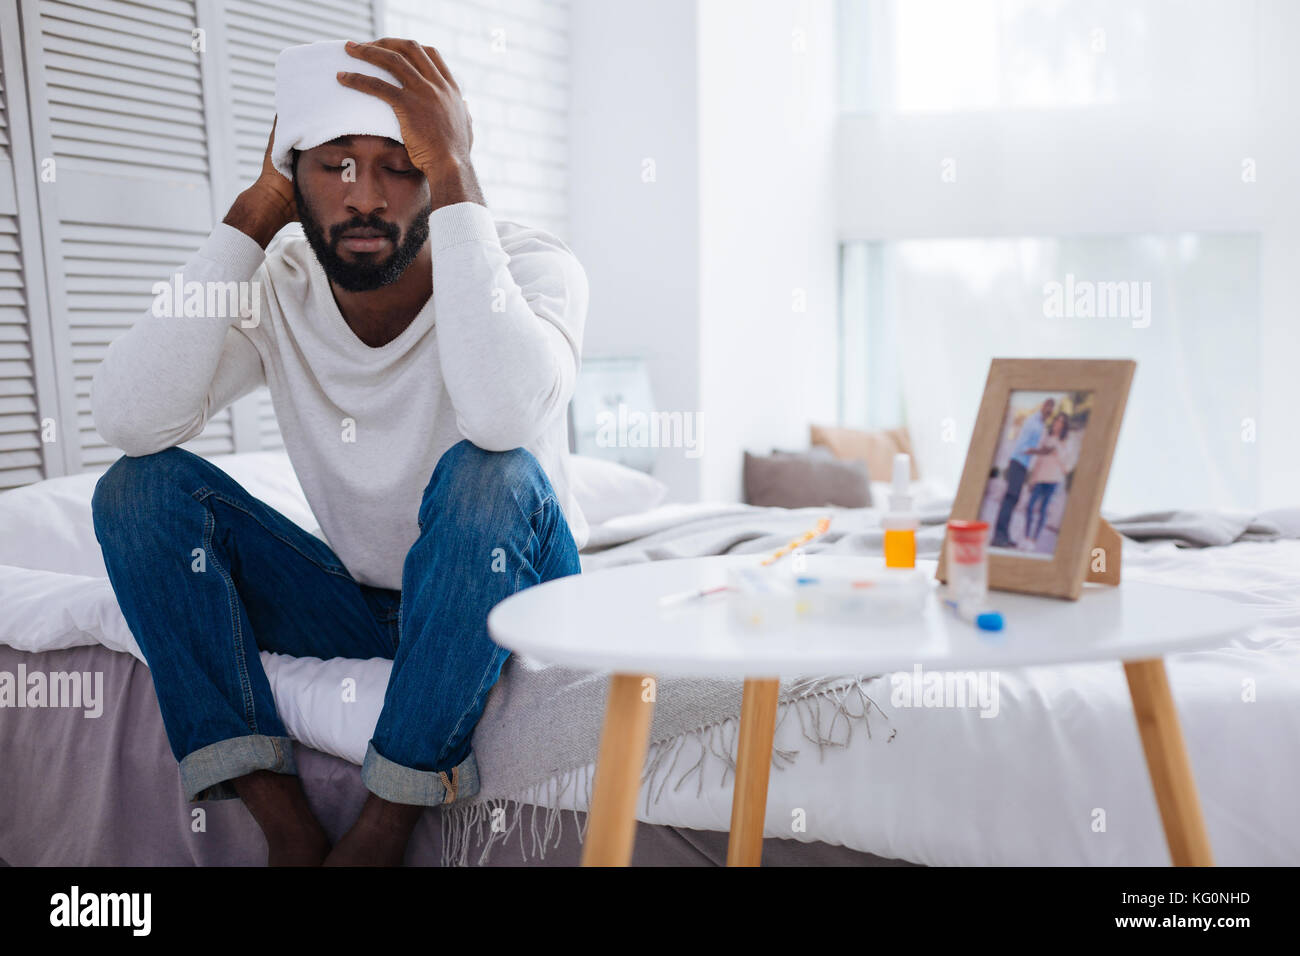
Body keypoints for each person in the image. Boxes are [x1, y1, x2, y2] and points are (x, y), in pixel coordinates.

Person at [89, 39, 589, 866]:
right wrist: (250, 219)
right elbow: (130, 419)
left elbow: (499, 417)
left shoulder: (534, 268)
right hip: (364, 607)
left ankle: (383, 824)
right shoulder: (282, 283)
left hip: (516, 596)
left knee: (486, 471)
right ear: (294, 178)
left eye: (401, 164)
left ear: (441, 172)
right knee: (137, 493)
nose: (365, 195)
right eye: (334, 166)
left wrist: (459, 176)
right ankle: (284, 822)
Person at [990, 398, 1055, 548]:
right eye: (1048, 407)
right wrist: (1042, 452)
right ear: (1044, 406)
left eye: (1051, 409)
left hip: (1022, 465)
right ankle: (998, 538)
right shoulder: (1033, 423)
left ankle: (1003, 536)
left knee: (1013, 500)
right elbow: (1022, 448)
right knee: (1010, 498)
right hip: (1017, 463)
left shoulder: (1040, 424)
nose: (1049, 411)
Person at [1024, 412, 1071, 544]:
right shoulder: (1046, 436)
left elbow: (1066, 467)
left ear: (1064, 426)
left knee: (1043, 510)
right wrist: (1032, 478)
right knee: (1030, 506)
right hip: (1039, 478)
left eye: (1061, 422)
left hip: (1053, 480)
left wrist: (1057, 450)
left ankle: (1034, 540)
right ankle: (1026, 537)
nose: (1058, 424)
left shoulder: (1065, 442)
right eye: (1057, 420)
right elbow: (1039, 459)